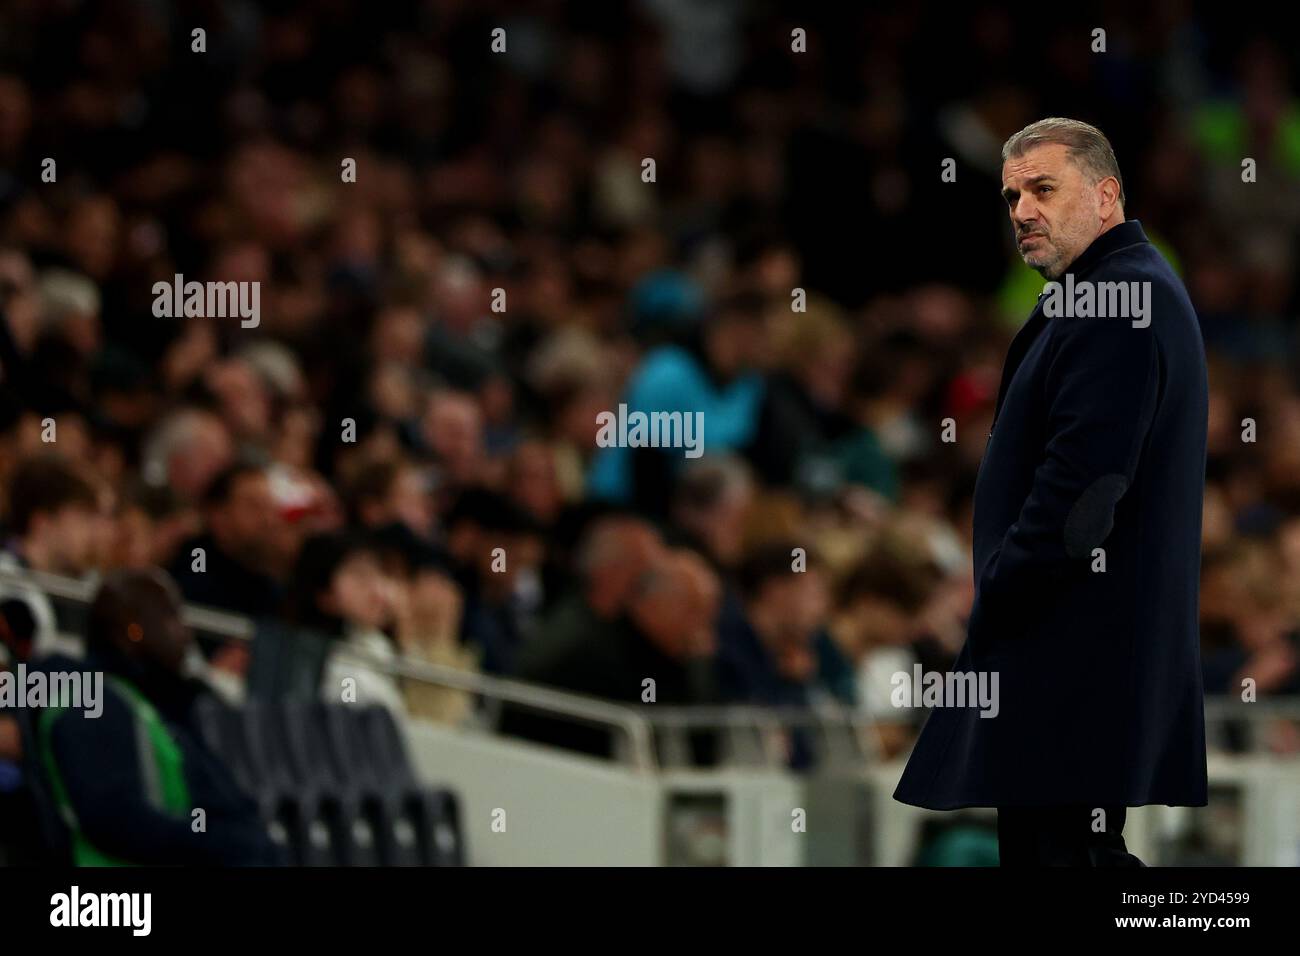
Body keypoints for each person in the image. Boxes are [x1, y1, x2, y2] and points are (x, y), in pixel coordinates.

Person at [893, 118, 1210, 867]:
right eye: (1010, 197)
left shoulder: (1118, 298)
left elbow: (1085, 491)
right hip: (1076, 646)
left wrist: (1001, 583)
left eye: (1043, 189)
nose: (1022, 212)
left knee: (1065, 858)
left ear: (1106, 196)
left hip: (1072, 652)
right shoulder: (1115, 290)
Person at [36, 569, 279, 865]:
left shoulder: (152, 704)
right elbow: (118, 822)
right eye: (171, 618)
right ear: (132, 629)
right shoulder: (94, 706)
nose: (185, 633)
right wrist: (223, 847)